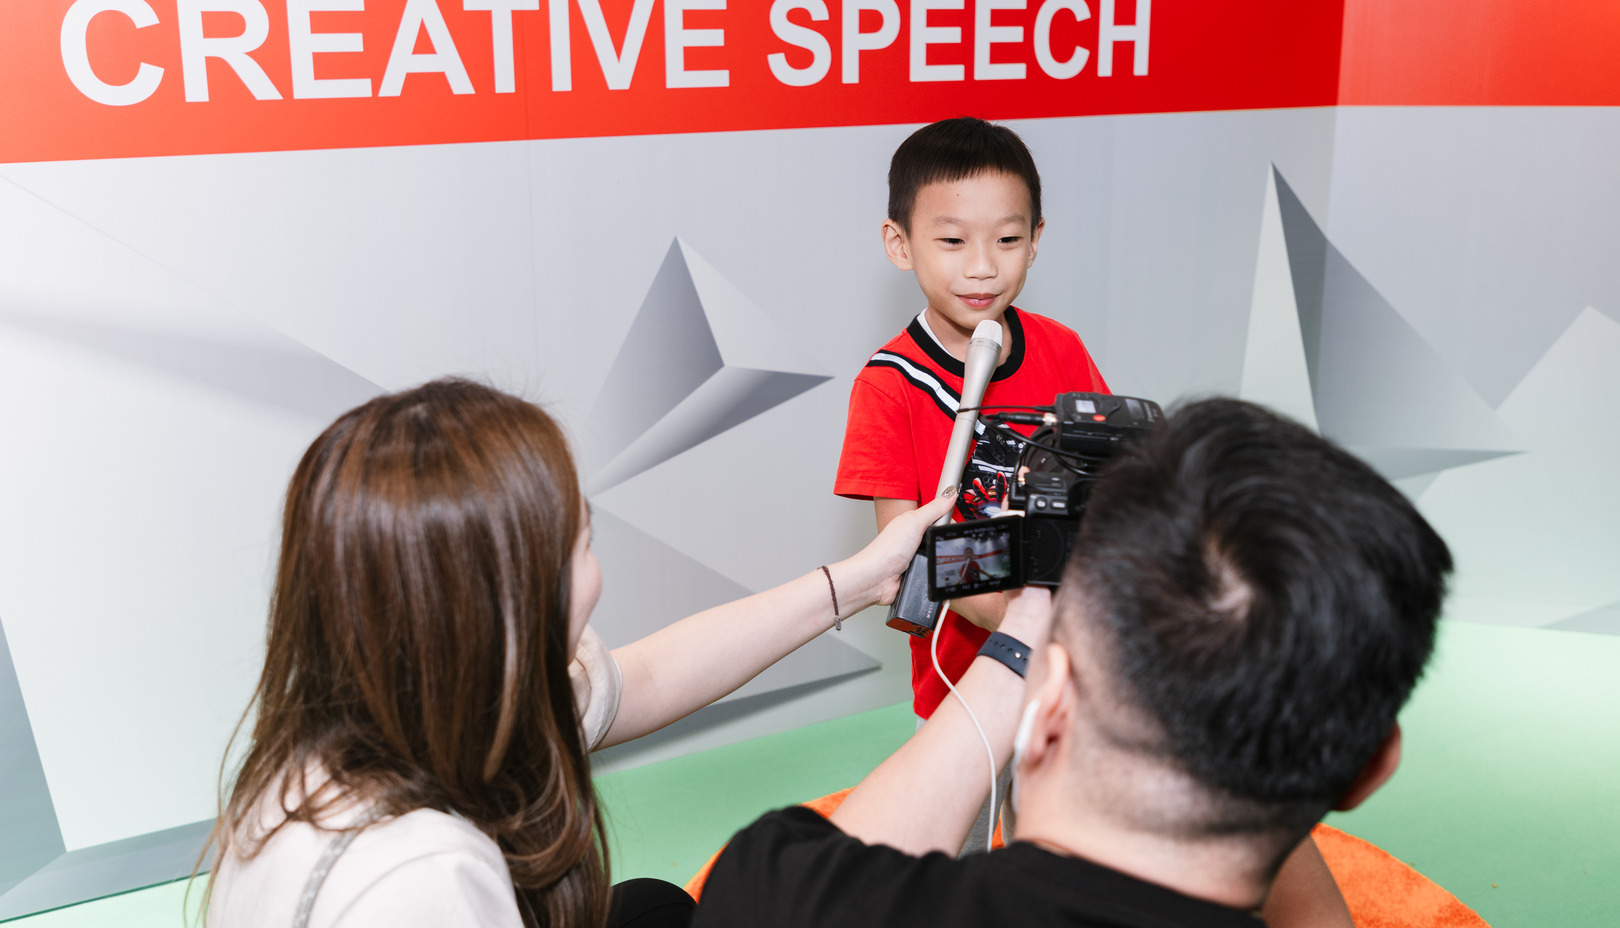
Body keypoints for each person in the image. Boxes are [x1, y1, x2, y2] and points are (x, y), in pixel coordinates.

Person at [202, 378, 951, 928]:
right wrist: (1006, 666)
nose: (596, 567)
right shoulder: (423, 879)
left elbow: (649, 676)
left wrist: (863, 580)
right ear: (514, 596)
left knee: (652, 909)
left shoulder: (412, 706)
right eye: (584, 540)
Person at [695, 399, 1452, 928]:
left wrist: (1023, 639)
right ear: (1370, 767)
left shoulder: (773, 892)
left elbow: (828, 876)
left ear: (1050, 701)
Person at [834, 116, 1107, 844]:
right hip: (963, 682)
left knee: (1058, 854)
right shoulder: (888, 386)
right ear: (900, 244)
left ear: (1036, 239)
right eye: (952, 241)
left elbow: (1106, 489)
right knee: (956, 867)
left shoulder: (1062, 349)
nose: (983, 267)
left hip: (1071, 675)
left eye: (1007, 240)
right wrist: (1019, 616)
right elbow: (906, 555)